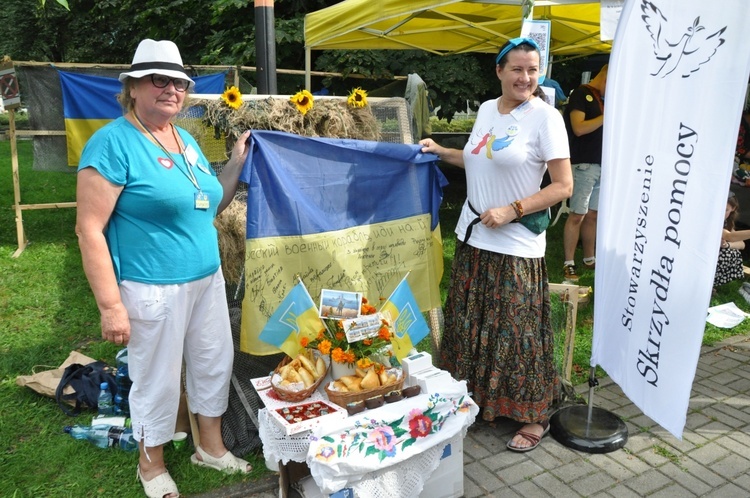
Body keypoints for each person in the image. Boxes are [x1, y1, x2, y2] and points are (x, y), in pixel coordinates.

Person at [75, 39, 252, 498]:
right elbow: (88, 230)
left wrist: (235, 163)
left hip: (206, 279)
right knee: (156, 376)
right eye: (159, 80)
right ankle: (150, 465)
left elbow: (209, 204)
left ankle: (209, 448)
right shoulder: (112, 143)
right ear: (132, 87)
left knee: (214, 363)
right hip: (151, 286)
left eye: (178, 82)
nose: (171, 89)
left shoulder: (184, 138)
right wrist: (111, 305)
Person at [420, 37, 572, 452]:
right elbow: (479, 158)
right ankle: (478, 402)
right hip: (473, 236)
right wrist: (440, 151)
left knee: (517, 331)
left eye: (532, 70)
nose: (525, 77)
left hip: (517, 245)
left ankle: (532, 415)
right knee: (473, 326)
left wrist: (513, 209)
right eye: (517, 69)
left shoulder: (546, 119)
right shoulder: (488, 110)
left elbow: (563, 186)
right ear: (500, 71)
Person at [561, 64, 608, 282]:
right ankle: (568, 262)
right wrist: (606, 117)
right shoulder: (581, 94)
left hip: (601, 165)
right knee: (578, 214)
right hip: (584, 165)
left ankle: (590, 258)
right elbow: (578, 128)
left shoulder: (601, 98)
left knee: (593, 215)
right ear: (606, 76)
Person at [715, 192, 749, 289]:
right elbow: (729, 236)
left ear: (733, 209)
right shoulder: (712, 219)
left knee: (733, 252)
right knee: (726, 254)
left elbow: (742, 244)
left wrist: (727, 245)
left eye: (725, 210)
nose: (721, 213)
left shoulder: (727, 221)